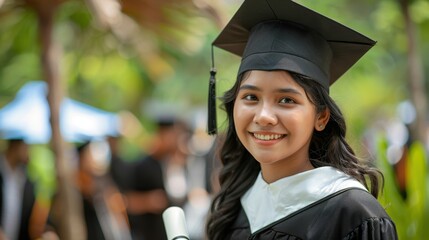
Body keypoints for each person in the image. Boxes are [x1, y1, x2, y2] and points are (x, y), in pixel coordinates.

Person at [205, 0, 398, 239]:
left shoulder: (353, 215)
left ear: (321, 116)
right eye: (251, 97)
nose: (264, 116)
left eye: (286, 100)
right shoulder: (235, 205)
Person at [0, 138, 48, 240]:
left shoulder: (28, 180)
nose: (29, 151)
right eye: (26, 145)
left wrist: (48, 231)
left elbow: (35, 217)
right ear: (16, 144)